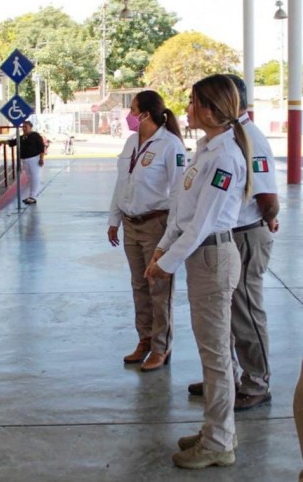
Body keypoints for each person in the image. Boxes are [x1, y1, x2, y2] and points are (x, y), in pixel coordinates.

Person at [145, 74, 251, 469]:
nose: (186, 109)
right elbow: (181, 210)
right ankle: (215, 430)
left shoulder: (225, 157)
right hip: (199, 257)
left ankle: (220, 442)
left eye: (192, 102)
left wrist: (165, 265)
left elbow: (203, 222)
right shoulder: (207, 149)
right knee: (212, 352)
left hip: (212, 259)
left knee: (216, 355)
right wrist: (161, 249)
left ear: (210, 108)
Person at [187, 74, 279, 412]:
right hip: (224, 236)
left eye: (197, 101)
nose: (190, 108)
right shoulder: (222, 139)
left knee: (245, 313)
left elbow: (268, 196)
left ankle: (256, 382)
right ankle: (226, 376)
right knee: (222, 314)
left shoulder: (249, 139)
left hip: (244, 234)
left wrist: (267, 219)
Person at [107, 90, 186, 371]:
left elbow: (178, 193)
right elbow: (122, 183)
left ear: (146, 114)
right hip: (131, 224)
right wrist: (114, 219)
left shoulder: (170, 144)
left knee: (158, 288)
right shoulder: (131, 142)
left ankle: (161, 347)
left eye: (132, 110)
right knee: (139, 286)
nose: (128, 116)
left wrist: (170, 236)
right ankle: (145, 340)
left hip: (157, 224)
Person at [0, 119, 45, 204]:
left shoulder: (35, 136)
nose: (24, 128)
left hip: (34, 159)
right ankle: (31, 195)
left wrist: (41, 158)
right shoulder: (21, 137)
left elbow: (41, 147)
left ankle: (33, 196)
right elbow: (12, 142)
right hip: (25, 160)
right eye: (23, 127)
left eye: (26, 127)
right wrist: (2, 142)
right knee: (30, 178)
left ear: (30, 127)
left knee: (35, 177)